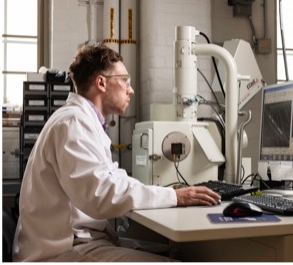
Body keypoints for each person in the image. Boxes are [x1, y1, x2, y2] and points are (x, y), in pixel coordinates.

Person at [13, 44, 221, 262]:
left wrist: (166, 192)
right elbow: (101, 194)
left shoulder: (84, 121)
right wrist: (173, 196)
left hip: (79, 240)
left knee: (177, 252)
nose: (130, 90)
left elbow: (113, 177)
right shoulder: (73, 122)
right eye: (125, 81)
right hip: (62, 249)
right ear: (101, 83)